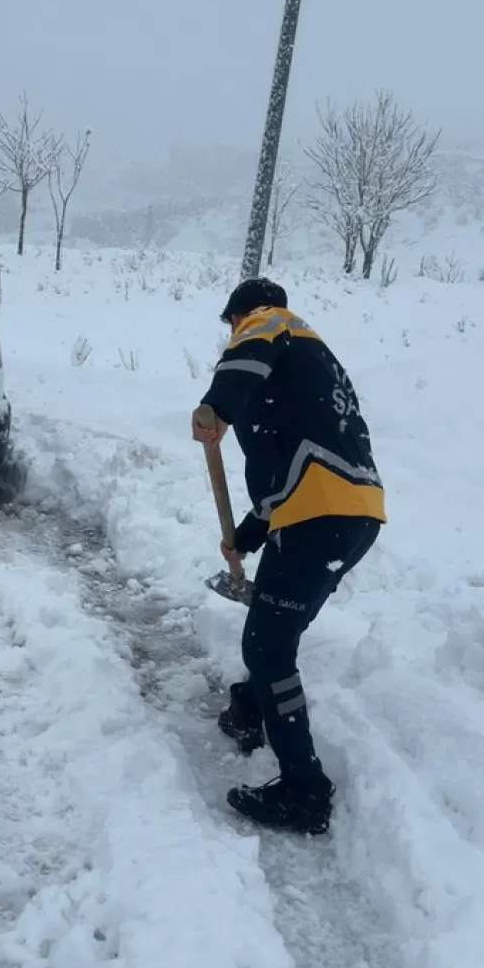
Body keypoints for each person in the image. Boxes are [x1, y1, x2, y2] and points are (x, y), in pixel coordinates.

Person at [192, 278, 385, 835]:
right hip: (349, 513)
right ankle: (252, 708)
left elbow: (246, 356)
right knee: (278, 631)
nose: (234, 335)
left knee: (267, 645)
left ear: (238, 316)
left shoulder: (272, 323)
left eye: (232, 326)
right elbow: (293, 474)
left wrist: (216, 407)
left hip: (319, 517)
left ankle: (305, 790)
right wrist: (247, 538)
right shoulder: (308, 364)